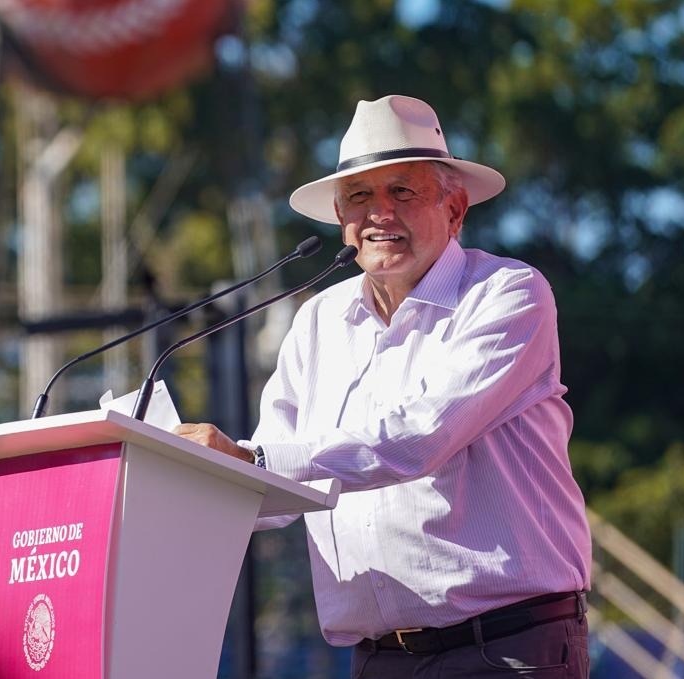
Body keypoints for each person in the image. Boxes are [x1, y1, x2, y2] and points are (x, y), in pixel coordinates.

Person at [174, 94, 592, 678]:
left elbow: (419, 439)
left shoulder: (508, 293)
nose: (379, 214)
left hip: (504, 649)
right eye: (359, 197)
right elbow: (275, 491)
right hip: (379, 658)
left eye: (402, 191)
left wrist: (250, 459)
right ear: (340, 216)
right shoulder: (317, 320)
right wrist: (175, 478)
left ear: (455, 209)